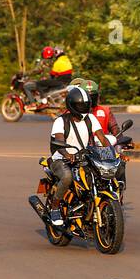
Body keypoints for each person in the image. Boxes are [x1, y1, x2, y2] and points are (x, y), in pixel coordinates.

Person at [46, 85, 115, 229]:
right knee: (67, 177)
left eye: (86, 105)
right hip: (61, 158)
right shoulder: (60, 121)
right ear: (72, 105)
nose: (83, 108)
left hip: (83, 157)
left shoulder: (90, 118)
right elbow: (59, 142)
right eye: (80, 105)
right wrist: (68, 154)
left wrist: (110, 151)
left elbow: (102, 137)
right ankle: (55, 209)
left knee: (101, 174)